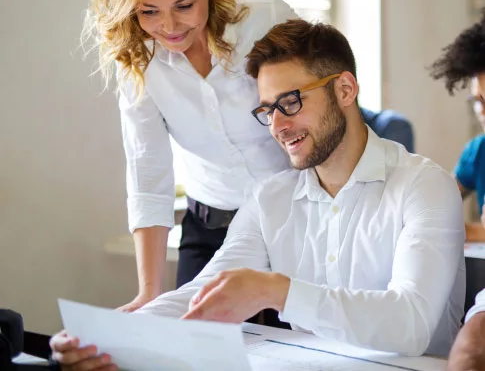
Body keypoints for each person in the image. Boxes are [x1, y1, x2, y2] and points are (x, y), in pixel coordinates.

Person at [51, 19, 465, 368]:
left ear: (344, 90)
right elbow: (206, 291)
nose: (278, 126)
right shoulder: (270, 198)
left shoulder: (424, 186)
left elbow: (411, 324)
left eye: (290, 102)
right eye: (268, 110)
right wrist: (107, 338)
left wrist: (276, 290)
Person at [86, 0, 297, 312]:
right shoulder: (138, 57)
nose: (168, 27)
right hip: (210, 228)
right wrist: (149, 291)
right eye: (148, 11)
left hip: (297, 219)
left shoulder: (266, 19)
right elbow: (149, 173)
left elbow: (321, 119)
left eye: (184, 5)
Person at [429, 12, 485, 241]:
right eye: (478, 101)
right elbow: (436, 202)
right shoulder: (478, 152)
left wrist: (470, 231)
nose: (482, 112)